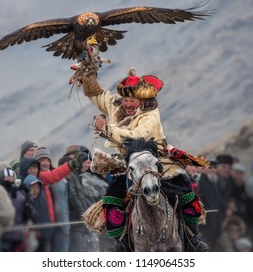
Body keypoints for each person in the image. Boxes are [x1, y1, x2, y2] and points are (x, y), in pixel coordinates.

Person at [80, 66, 209, 251]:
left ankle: (192, 238)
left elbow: (136, 136)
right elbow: (98, 94)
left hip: (159, 162)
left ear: (141, 100)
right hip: (128, 165)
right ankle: (122, 243)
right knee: (112, 199)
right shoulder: (117, 106)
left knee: (185, 192)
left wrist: (106, 129)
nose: (128, 104)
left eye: (132, 100)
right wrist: (87, 73)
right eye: (125, 100)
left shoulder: (150, 114)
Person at [33, 146, 70, 252]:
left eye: (47, 160)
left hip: (60, 224)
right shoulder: (40, 178)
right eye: (41, 160)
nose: (45, 163)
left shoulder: (57, 178)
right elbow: (52, 176)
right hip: (49, 226)